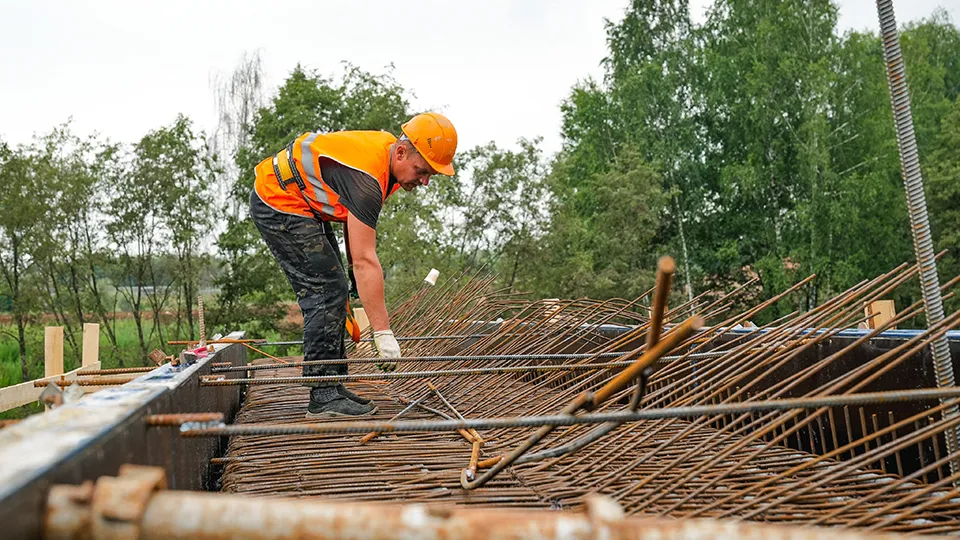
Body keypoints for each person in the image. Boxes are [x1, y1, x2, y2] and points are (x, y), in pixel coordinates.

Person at [249, 112, 458, 417]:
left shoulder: (385, 158)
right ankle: (323, 396)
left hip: (302, 204)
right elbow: (365, 261)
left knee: (335, 288)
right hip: (279, 201)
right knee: (325, 291)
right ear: (401, 152)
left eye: (430, 175)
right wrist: (382, 332)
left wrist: (351, 276)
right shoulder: (367, 179)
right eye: (422, 170)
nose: (424, 181)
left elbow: (352, 224)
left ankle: (333, 385)